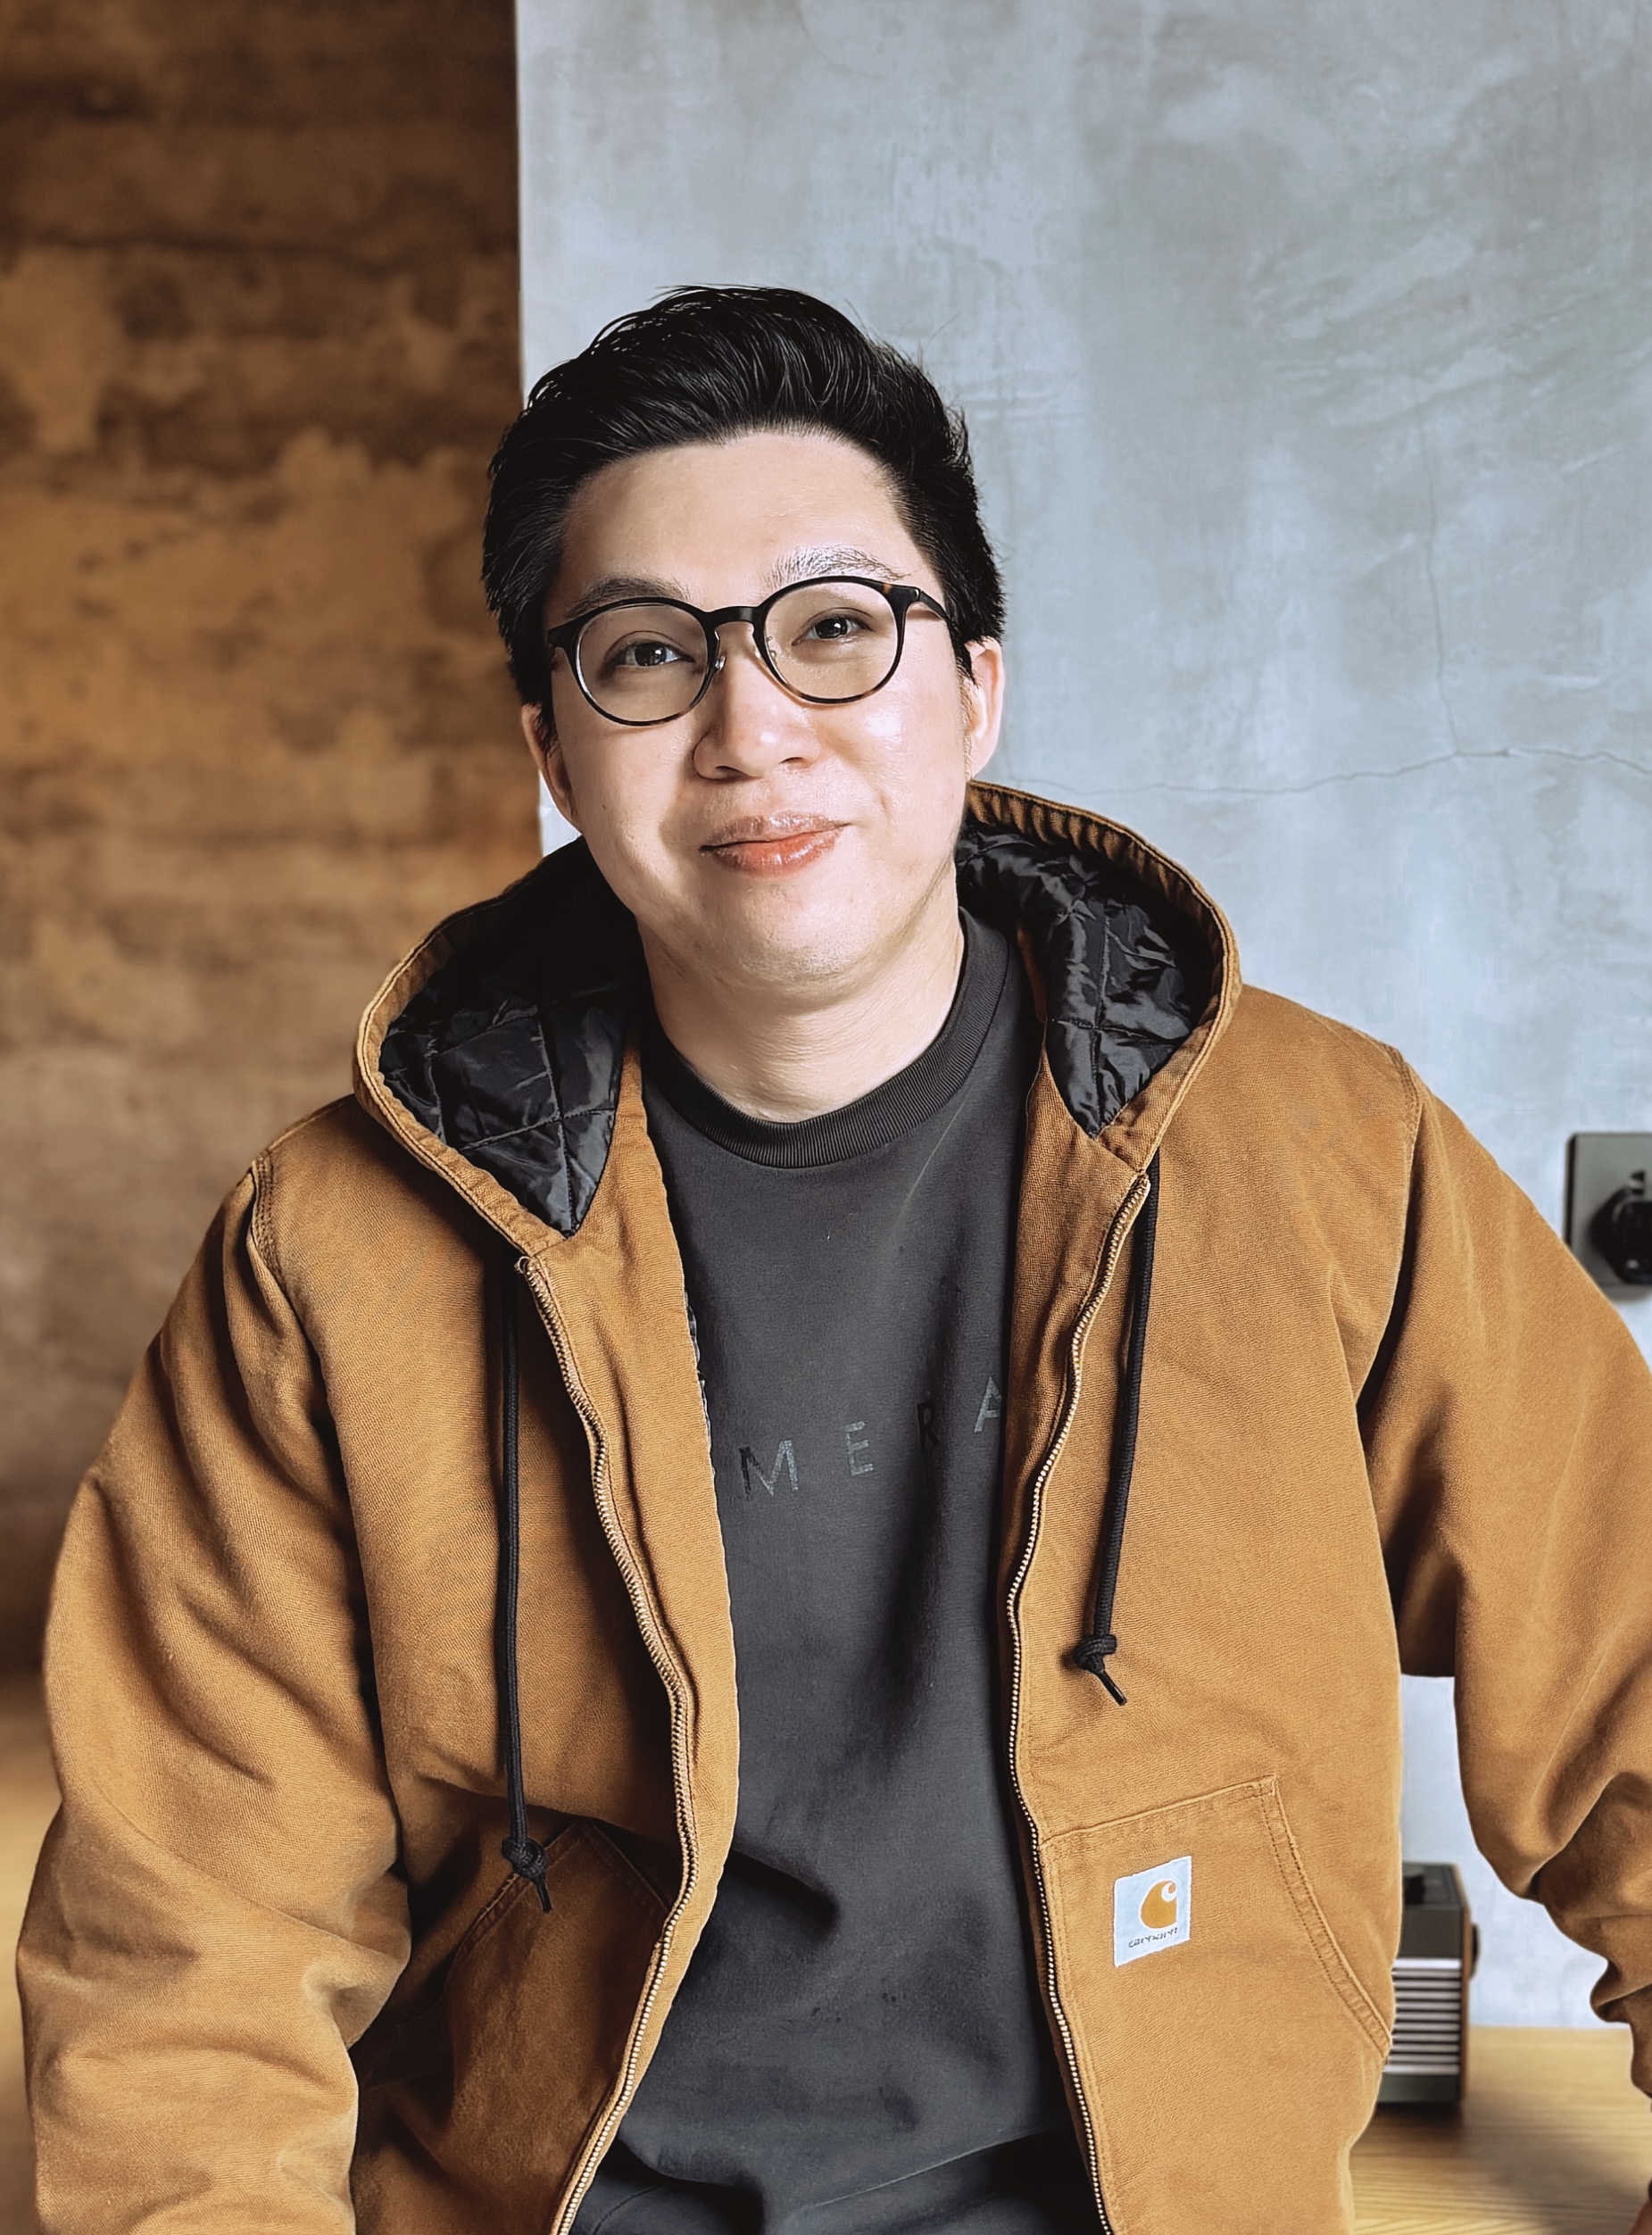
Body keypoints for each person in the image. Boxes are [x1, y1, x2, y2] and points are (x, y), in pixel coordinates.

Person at [19, 286, 1652, 2235]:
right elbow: (186, 1962)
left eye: (833, 629)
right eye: (648, 654)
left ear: (972, 689)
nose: (750, 729)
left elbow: (1631, 1679)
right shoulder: (333, 1251)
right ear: (554, 749)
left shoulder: (1316, 1151)